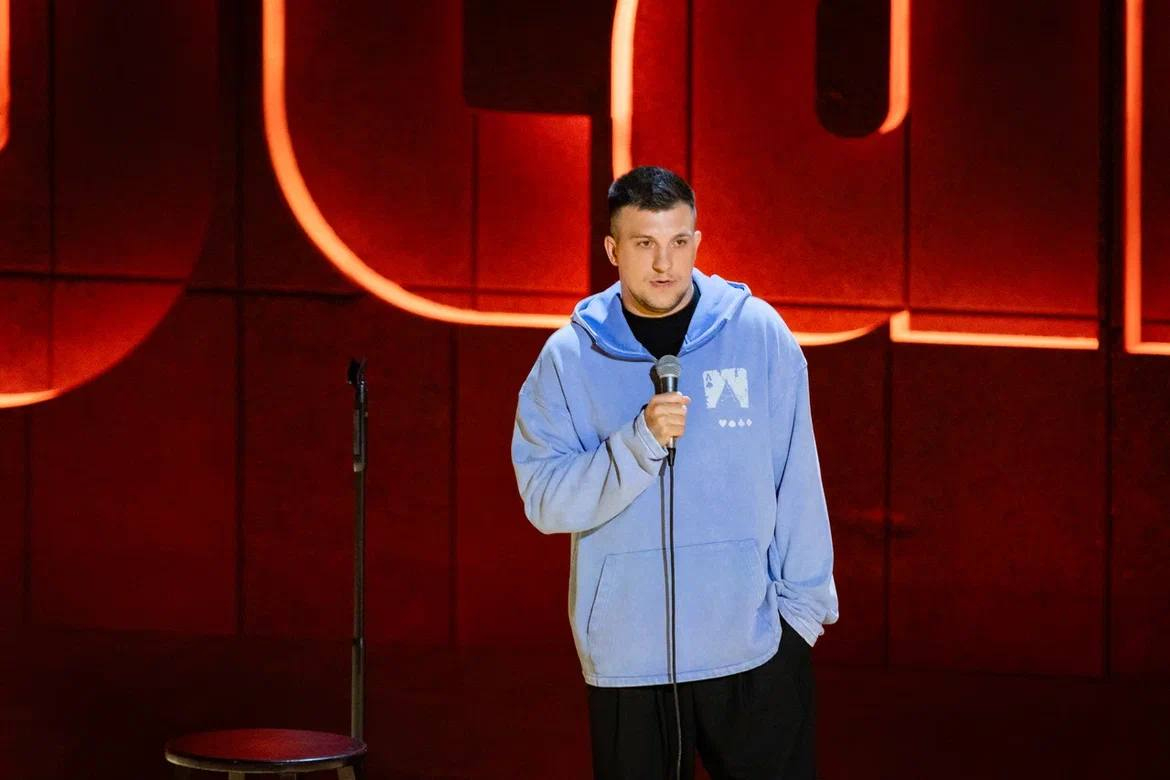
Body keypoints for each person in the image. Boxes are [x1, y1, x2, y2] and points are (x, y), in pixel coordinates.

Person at [511, 166, 838, 779]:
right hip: (629, 659)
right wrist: (637, 443)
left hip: (754, 648)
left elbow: (797, 480)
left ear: (697, 241)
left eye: (679, 241)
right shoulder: (569, 358)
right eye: (644, 243)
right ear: (613, 250)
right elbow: (545, 501)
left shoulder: (757, 333)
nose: (665, 263)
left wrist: (800, 619)